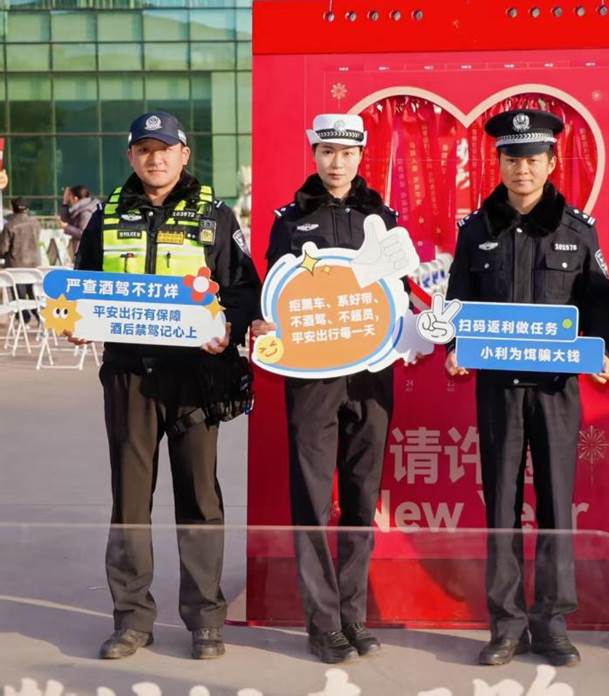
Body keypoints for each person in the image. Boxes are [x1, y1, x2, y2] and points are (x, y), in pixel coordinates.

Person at [73, 111, 260, 660]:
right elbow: (81, 287)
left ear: (184, 155)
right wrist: (76, 318)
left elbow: (243, 289)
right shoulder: (106, 217)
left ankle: (205, 620)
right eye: (144, 150)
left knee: (199, 498)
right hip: (129, 375)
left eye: (164, 149)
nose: (154, 159)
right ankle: (132, 620)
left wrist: (228, 328)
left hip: (196, 379)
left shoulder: (215, 216)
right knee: (130, 500)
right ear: (131, 157)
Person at [445, 109, 609, 667]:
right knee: (500, 502)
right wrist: (454, 345)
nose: (523, 169)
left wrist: (602, 351)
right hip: (497, 387)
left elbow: (599, 300)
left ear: (551, 162)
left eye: (533, 159)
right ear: (499, 163)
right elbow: (457, 301)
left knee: (556, 503)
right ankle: (506, 625)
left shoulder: (577, 228)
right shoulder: (477, 229)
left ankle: (552, 623)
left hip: (555, 388)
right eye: (512, 159)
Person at [252, 114, 399, 664]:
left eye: (347, 152)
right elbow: (275, 293)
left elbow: (399, 290)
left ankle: (353, 615)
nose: (337, 162)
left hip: (371, 377)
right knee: (312, 499)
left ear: (361, 155)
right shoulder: (289, 220)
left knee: (362, 496)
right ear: (313, 154)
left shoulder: (381, 216)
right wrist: (266, 322)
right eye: (327, 152)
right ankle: (322, 622)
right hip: (312, 379)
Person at [0, 197, 42, 322]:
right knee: (34, 293)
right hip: (34, 267)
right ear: (27, 209)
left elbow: (3, 248)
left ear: (13, 208)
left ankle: (23, 317)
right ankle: (39, 315)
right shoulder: (36, 223)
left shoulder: (9, 225)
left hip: (15, 267)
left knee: (19, 296)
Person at [60, 184, 100, 260]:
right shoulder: (79, 211)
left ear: (75, 199)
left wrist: (67, 227)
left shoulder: (86, 212)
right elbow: (65, 219)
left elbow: (84, 233)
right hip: (81, 251)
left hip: (85, 253)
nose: (69, 201)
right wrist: (65, 202)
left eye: (70, 198)